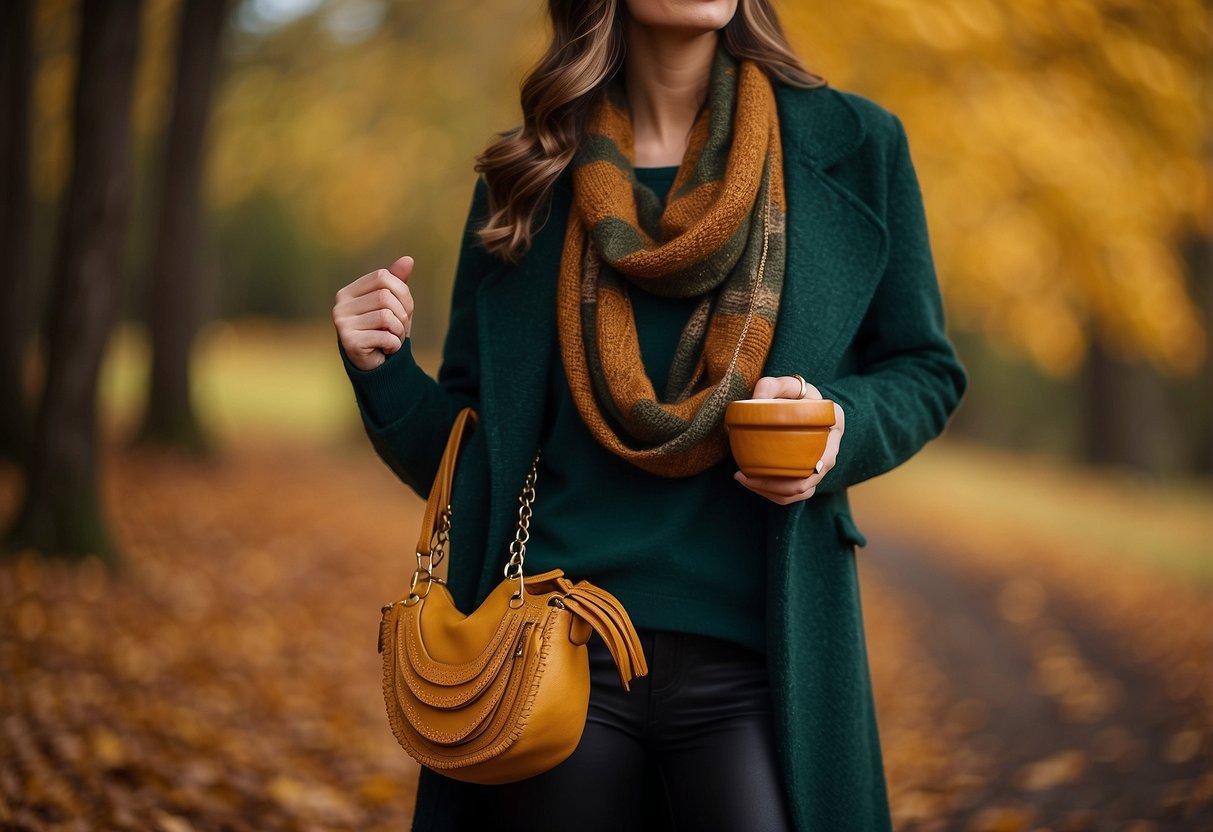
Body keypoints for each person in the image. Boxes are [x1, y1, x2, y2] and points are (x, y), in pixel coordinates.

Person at [332, 0, 967, 829]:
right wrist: (381, 371)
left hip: (761, 663)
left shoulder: (854, 146)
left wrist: (835, 425)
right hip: (548, 659)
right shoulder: (528, 172)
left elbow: (924, 368)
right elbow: (474, 458)